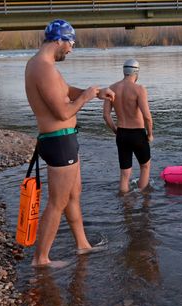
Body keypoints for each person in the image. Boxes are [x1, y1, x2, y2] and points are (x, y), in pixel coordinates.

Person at [25, 19, 115, 266]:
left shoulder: (44, 65)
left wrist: (97, 92)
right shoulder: (42, 68)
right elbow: (63, 113)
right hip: (58, 142)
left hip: (64, 140)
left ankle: (82, 245)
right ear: (58, 40)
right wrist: (87, 97)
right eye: (70, 43)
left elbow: (65, 91)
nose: (71, 49)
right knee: (58, 202)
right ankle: (41, 258)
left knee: (74, 194)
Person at [103, 59, 154, 193]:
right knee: (145, 167)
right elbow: (147, 117)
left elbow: (106, 115)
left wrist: (115, 130)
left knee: (124, 174)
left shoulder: (111, 88)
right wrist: (150, 134)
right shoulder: (139, 89)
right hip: (137, 133)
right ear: (136, 72)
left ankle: (125, 205)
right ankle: (144, 199)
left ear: (124, 71)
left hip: (121, 133)